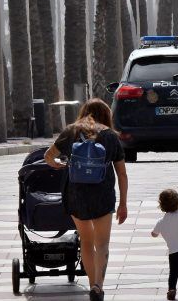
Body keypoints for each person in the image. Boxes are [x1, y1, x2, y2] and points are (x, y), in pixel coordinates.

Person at [44, 98, 128, 301]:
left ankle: (91, 283)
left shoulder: (71, 131)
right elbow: (122, 173)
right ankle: (98, 285)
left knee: (87, 242)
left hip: (76, 194)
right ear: (106, 115)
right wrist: (123, 203)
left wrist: (59, 165)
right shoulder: (110, 136)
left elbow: (48, 156)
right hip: (102, 195)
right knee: (103, 244)